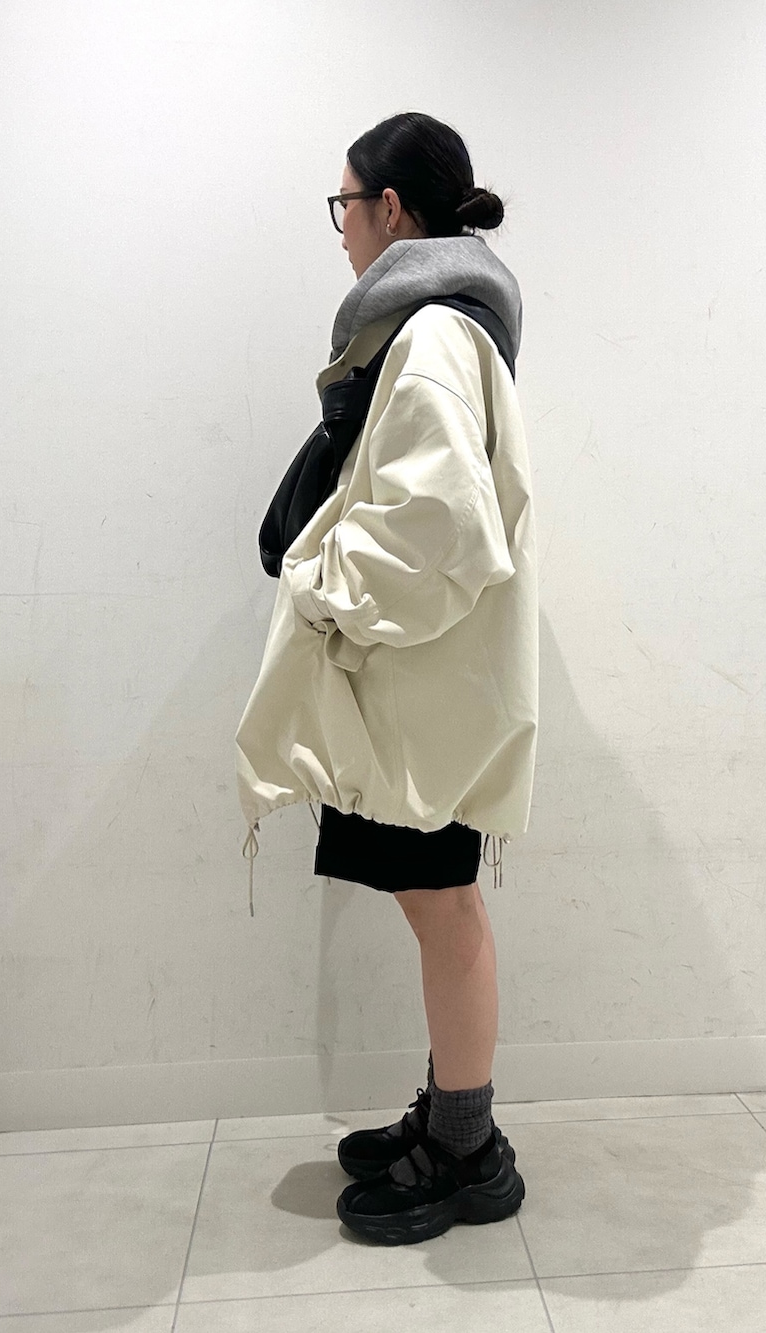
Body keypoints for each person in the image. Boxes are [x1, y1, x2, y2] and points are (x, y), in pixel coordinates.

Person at [234, 111, 538, 1244]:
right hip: (423, 691)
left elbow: (440, 530)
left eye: (346, 206)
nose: (342, 230)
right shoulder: (440, 328)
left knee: (443, 907)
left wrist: (318, 580)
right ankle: (456, 1113)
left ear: (391, 210)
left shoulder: (432, 336)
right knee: (440, 905)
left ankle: (467, 1148)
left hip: (419, 697)